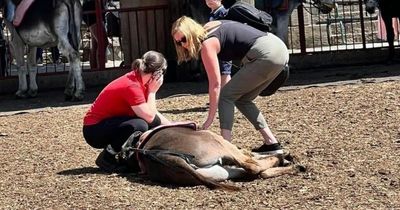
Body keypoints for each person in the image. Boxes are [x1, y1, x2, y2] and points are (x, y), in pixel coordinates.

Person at [171, 16, 289, 155]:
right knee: (242, 99)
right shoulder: (210, 26)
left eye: (184, 39)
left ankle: (225, 146)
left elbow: (215, 85)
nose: (183, 45)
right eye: (178, 42)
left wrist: (209, 120)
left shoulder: (207, 45)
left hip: (265, 55)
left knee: (225, 96)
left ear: (191, 32)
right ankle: (272, 144)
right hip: (278, 48)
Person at [83, 50, 171, 173]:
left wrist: (173, 126)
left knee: (143, 122)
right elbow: (150, 117)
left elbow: (152, 114)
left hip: (106, 124)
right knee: (140, 124)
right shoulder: (133, 86)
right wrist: (152, 92)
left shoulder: (140, 80)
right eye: (163, 72)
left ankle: (124, 155)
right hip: (94, 130)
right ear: (157, 73)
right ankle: (107, 157)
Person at [205, 0, 232, 87]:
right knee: (219, 71)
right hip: (216, 47)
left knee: (225, 71)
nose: (209, 1)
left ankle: (226, 95)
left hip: (224, 46)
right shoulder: (211, 14)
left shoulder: (224, 13)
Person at [82, 0, 109, 69]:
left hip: (94, 7)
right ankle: (100, 69)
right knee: (103, 42)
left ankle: (94, 69)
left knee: (96, 44)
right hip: (93, 8)